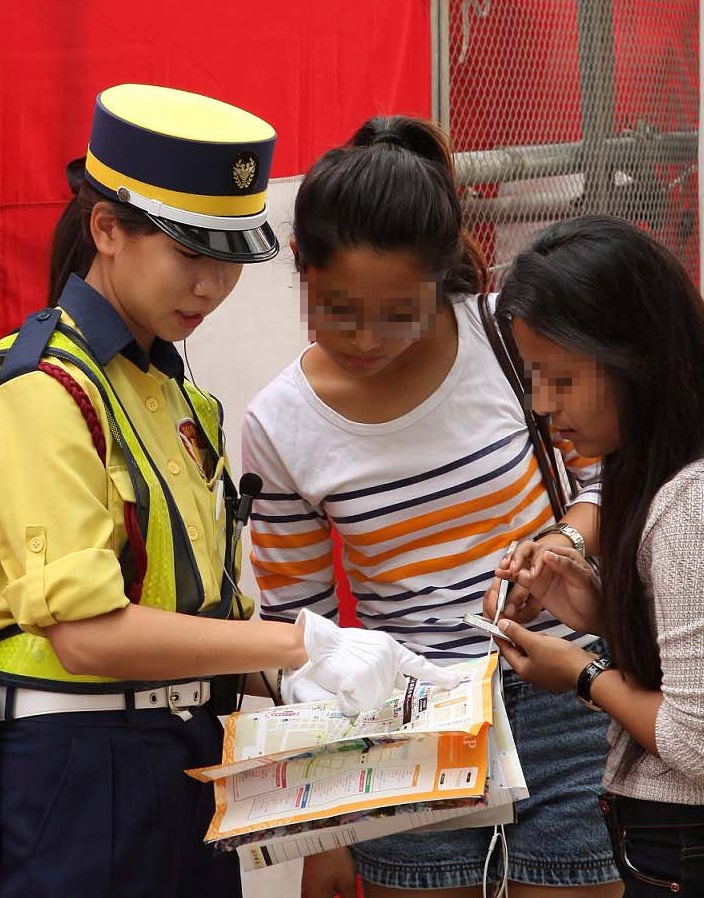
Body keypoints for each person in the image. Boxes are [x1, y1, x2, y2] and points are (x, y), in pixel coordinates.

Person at [0, 84, 455, 898]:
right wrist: (299, 646)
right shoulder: (44, 389)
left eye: (228, 259)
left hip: (185, 753)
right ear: (106, 229)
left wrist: (307, 682)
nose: (211, 287)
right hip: (73, 768)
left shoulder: (183, 400)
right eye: (190, 253)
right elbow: (86, 634)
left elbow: (201, 616)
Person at [241, 116, 622, 897]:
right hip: (403, 722)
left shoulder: (506, 339)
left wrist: (561, 544)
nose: (365, 338)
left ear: (443, 275)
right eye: (338, 308)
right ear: (299, 267)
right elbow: (296, 629)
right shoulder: (278, 424)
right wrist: (329, 829)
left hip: (565, 697)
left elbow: (608, 476)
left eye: (398, 312)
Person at [491, 214, 704, 897]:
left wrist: (582, 674)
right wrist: (600, 612)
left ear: (632, 358)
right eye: (533, 377)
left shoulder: (701, 501)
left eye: (561, 379)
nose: (542, 406)